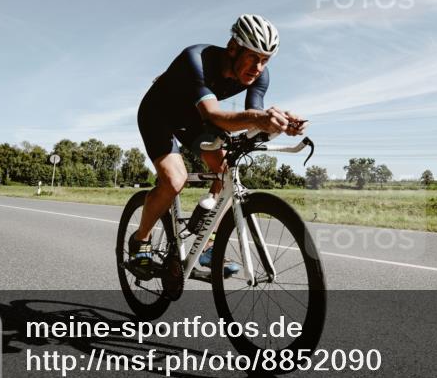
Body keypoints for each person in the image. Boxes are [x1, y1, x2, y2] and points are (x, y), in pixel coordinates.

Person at [130, 15, 306, 284]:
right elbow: (214, 115)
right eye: (253, 57)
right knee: (174, 180)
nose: (258, 67)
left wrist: (279, 124)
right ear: (233, 47)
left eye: (265, 59)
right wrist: (259, 119)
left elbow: (254, 117)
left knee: (226, 173)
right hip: (159, 114)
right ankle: (140, 239)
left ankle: (207, 244)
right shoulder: (196, 60)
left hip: (192, 119)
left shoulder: (259, 76)